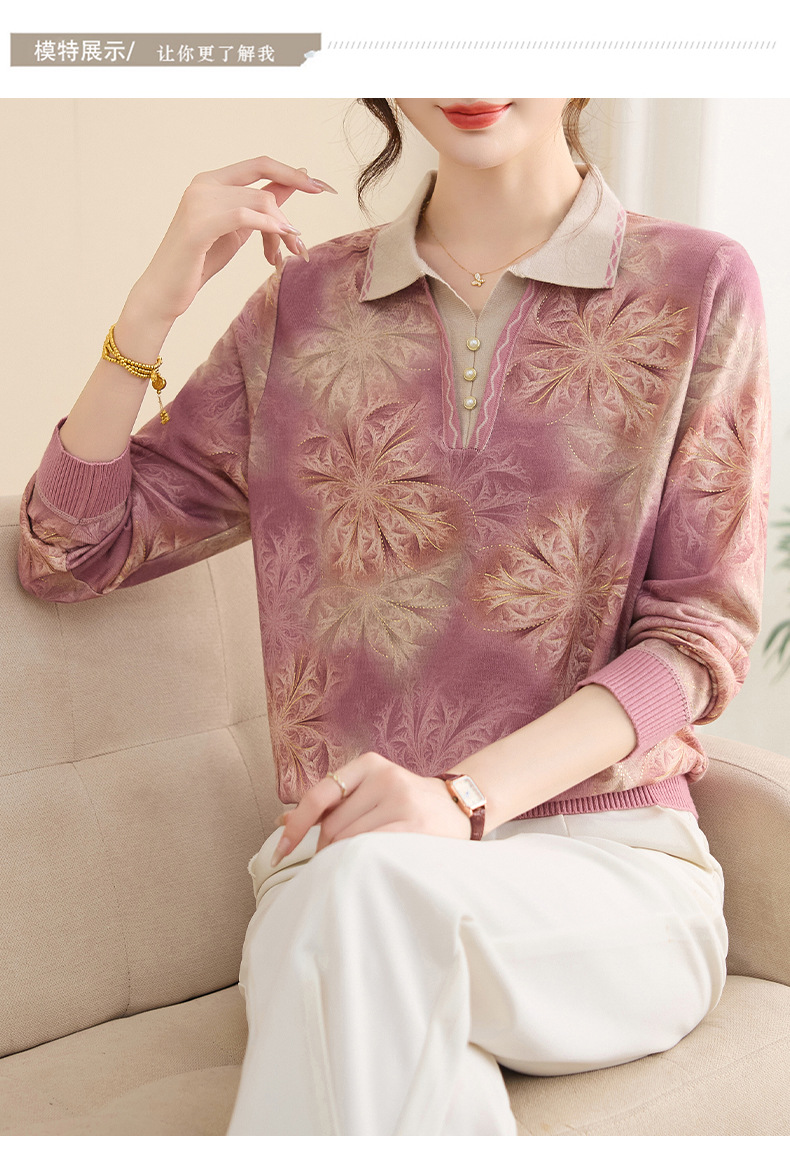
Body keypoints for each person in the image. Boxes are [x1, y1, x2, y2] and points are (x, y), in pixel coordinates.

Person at [18, 99, 770, 1135]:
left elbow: (697, 639)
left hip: (608, 871)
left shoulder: (696, 283)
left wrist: (463, 798)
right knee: (362, 908)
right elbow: (70, 549)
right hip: (341, 872)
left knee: (358, 907)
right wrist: (151, 308)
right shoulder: (303, 307)